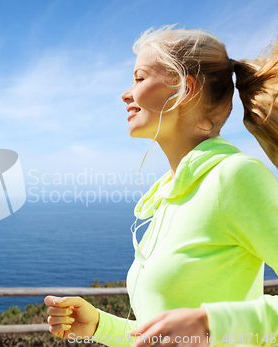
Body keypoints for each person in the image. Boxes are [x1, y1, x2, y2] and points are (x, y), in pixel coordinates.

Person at [45, 25, 278, 347]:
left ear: (186, 89)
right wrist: (99, 326)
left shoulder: (234, 177)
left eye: (139, 78)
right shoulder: (174, 192)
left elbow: (199, 331)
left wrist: (214, 324)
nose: (126, 93)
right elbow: (167, 335)